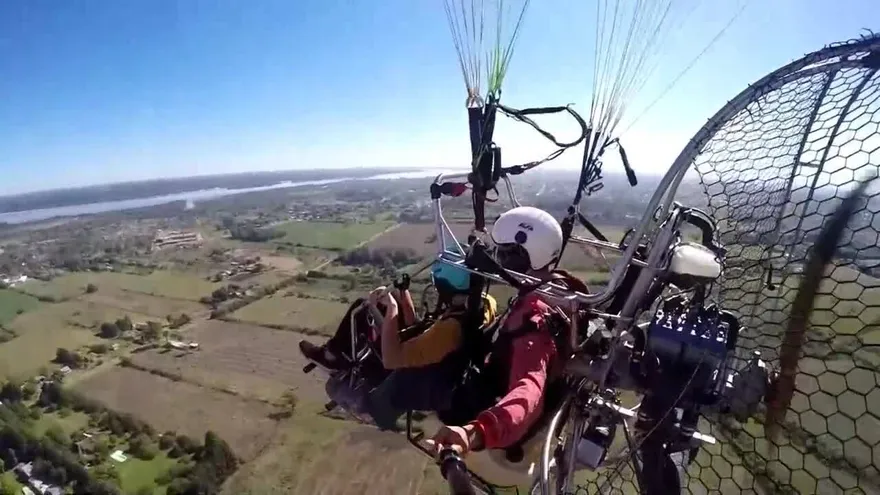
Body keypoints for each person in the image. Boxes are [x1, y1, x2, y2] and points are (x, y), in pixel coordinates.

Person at [425, 205, 575, 456]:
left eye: (503, 253)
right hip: (505, 373)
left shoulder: (534, 321)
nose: (498, 260)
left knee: (444, 395)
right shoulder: (555, 289)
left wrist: (475, 432)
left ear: (520, 256)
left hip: (500, 401)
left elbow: (529, 392)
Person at [299, 260, 497, 429]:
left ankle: (333, 357)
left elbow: (391, 358)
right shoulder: (482, 303)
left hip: (404, 380)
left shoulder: (449, 329)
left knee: (361, 309)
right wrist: (403, 295)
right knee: (373, 309)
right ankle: (334, 354)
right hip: (435, 364)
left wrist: (393, 309)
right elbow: (417, 327)